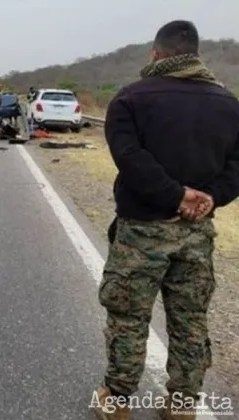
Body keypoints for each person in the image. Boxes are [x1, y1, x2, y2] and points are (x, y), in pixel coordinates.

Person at [92, 20, 239, 420]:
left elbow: (130, 159)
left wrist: (175, 195)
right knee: (190, 318)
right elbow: (236, 165)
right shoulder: (228, 104)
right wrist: (210, 197)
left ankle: (118, 400)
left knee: (128, 315)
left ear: (156, 53)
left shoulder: (130, 99)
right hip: (196, 231)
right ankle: (182, 404)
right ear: (196, 54)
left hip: (141, 230)